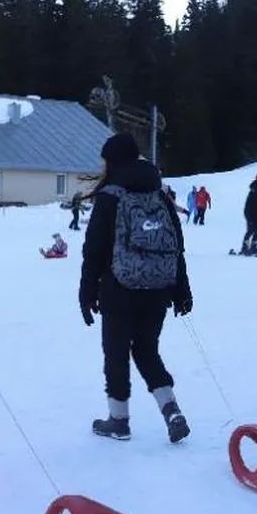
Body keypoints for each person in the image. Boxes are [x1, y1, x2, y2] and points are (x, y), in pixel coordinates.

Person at [79, 131, 192, 444]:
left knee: (116, 353)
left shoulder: (111, 195)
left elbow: (95, 248)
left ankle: (118, 420)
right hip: (159, 287)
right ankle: (172, 410)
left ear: (112, 161)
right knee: (146, 349)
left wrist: (87, 290)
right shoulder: (158, 192)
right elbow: (176, 245)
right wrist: (181, 287)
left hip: (119, 287)